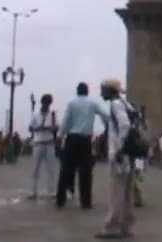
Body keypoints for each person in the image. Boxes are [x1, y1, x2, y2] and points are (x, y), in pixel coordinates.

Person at [57, 82, 108, 209]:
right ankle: (85, 202)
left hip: (72, 139)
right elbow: (105, 115)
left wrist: (60, 136)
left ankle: (60, 199)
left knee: (66, 170)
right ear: (87, 91)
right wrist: (107, 126)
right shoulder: (92, 103)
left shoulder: (71, 103)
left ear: (77, 91)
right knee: (86, 172)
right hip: (85, 140)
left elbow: (65, 121)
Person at [95, 78, 135, 239]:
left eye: (102, 89)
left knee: (116, 192)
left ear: (110, 91)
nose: (101, 93)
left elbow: (124, 125)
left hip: (120, 155)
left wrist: (119, 149)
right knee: (126, 192)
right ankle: (125, 226)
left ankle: (112, 227)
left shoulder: (116, 105)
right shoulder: (127, 104)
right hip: (128, 155)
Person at [28, 94, 58, 200]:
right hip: (38, 143)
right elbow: (30, 128)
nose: (47, 105)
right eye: (45, 103)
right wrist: (38, 128)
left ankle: (52, 191)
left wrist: (51, 128)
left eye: (48, 103)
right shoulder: (35, 114)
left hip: (49, 143)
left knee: (51, 169)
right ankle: (32, 191)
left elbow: (56, 128)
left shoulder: (53, 114)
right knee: (35, 168)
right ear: (42, 103)